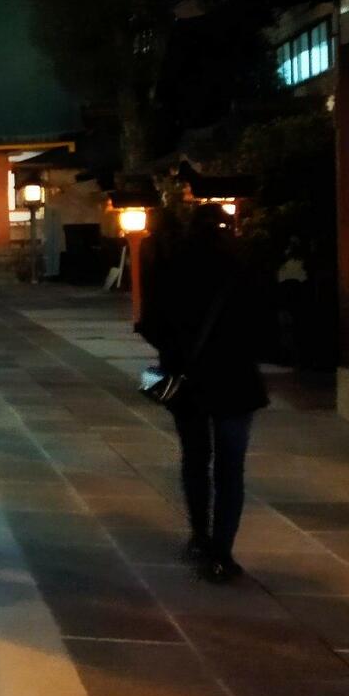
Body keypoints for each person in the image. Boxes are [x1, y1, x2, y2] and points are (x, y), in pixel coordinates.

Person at [137, 204, 269, 582]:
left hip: (188, 376)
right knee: (231, 467)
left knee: (195, 458)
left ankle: (199, 535)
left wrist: (175, 350)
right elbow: (265, 322)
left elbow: (151, 323)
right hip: (236, 377)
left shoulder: (173, 261)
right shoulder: (247, 261)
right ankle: (222, 551)